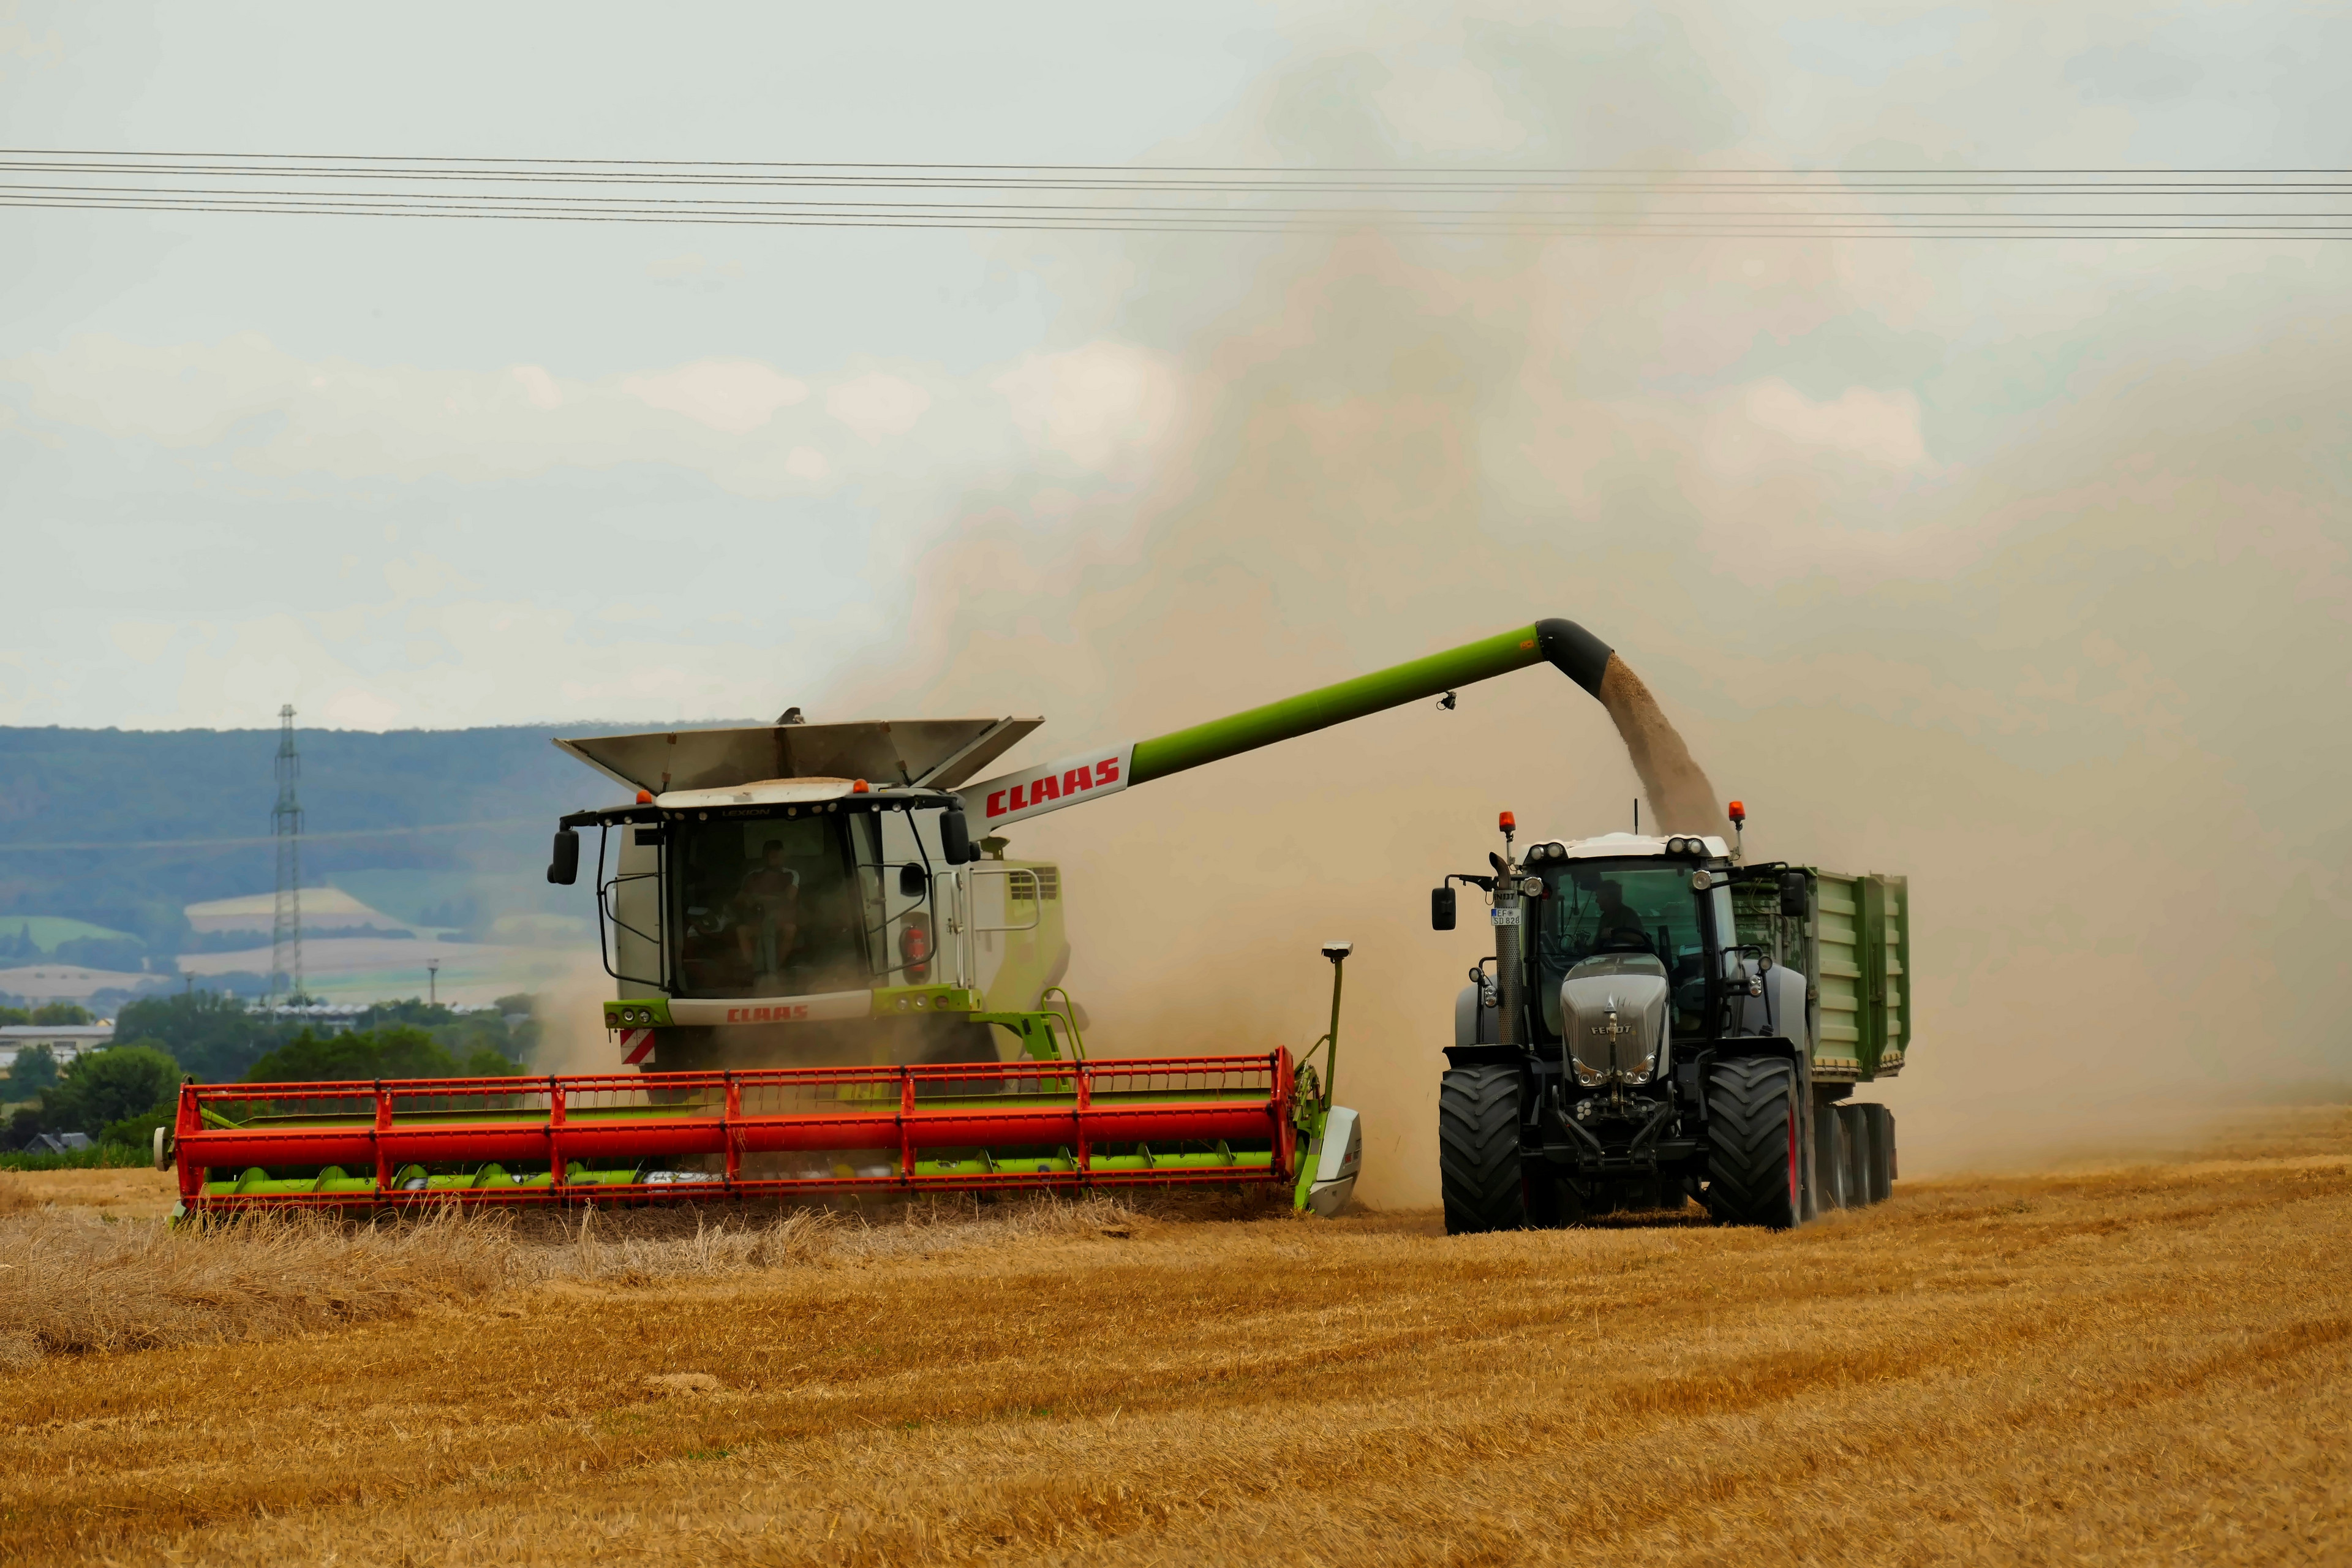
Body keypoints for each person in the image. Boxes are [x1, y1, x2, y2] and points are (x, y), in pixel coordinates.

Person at [734, 840, 801, 974]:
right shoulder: (752, 876)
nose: (775, 859)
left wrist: (760, 898)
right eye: (771, 855)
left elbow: (789, 897)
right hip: (756, 922)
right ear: (765, 856)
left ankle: (775, 969)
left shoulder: (791, 874)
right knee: (741, 930)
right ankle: (754, 971)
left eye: (778, 855)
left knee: (790, 930)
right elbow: (739, 899)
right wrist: (749, 901)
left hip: (780, 922)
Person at [1592, 879, 1648, 947]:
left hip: (1628, 956)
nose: (1596, 901)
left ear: (1610, 898)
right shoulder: (1604, 917)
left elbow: (1640, 939)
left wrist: (1614, 933)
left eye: (1598, 896)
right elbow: (1596, 947)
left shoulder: (1629, 915)